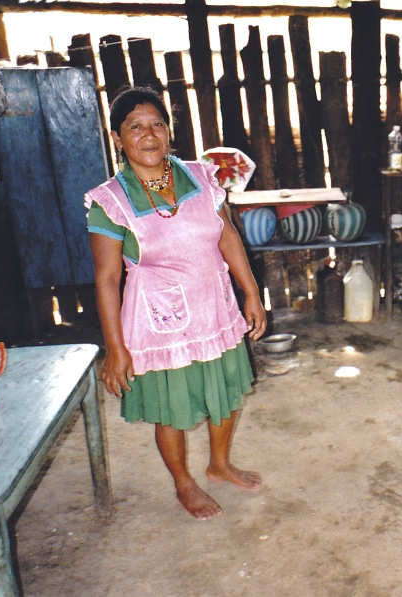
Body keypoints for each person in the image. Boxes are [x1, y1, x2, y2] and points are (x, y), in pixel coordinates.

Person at [85, 86, 267, 520]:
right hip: (160, 319)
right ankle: (184, 483)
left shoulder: (202, 177)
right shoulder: (110, 201)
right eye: (135, 127)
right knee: (172, 408)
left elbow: (226, 236)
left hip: (216, 306)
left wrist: (251, 293)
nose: (148, 135)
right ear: (117, 138)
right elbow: (107, 278)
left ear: (169, 131)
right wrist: (116, 348)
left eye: (157, 125)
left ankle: (219, 465)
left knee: (228, 391)